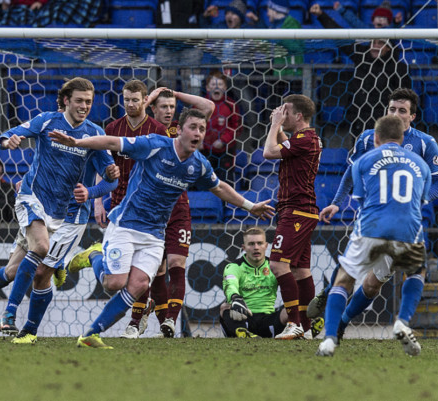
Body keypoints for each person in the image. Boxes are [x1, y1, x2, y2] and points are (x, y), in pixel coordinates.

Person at [52, 108, 275, 348]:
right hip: (126, 225)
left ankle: (90, 335)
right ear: (179, 130)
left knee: (139, 286)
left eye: (202, 129)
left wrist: (250, 206)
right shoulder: (156, 145)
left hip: (155, 235)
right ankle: (95, 254)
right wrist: (78, 141)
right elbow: (112, 141)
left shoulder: (198, 164)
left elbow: (219, 187)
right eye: (192, 127)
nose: (198, 133)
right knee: (113, 284)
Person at [0, 77, 118, 341]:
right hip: (34, 199)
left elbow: (112, 180)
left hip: (70, 214)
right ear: (66, 100)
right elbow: (6, 136)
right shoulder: (47, 120)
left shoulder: (94, 134)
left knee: (21, 271)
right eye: (79, 101)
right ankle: (9, 314)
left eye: (89, 101)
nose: (84, 106)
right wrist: (10, 142)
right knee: (40, 250)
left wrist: (93, 191)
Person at [311, 89, 438, 340]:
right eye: (392, 109)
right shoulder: (367, 138)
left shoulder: (425, 142)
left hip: (407, 219)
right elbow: (350, 173)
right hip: (374, 219)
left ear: (412, 116)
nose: (396, 114)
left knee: (373, 284)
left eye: (402, 111)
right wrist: (337, 203)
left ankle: (340, 321)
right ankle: (329, 293)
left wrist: (420, 198)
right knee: (358, 272)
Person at [120, 86, 215, 339]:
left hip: (178, 208)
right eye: (163, 106)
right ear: (151, 108)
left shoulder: (183, 130)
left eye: (172, 107)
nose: (169, 110)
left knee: (176, 264)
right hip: (149, 209)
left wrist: (174, 93)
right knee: (152, 271)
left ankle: (170, 321)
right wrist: (150, 97)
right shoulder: (148, 130)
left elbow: (208, 108)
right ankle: (137, 319)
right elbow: (134, 110)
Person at [262, 94, 322, 340]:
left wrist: (274, 124)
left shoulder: (305, 138)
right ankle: (307, 327)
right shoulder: (305, 139)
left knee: (277, 264)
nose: (281, 114)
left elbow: (268, 152)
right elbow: (285, 145)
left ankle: (294, 323)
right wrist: (279, 127)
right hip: (300, 209)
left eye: (285, 111)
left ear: (298, 116)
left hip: (296, 209)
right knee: (300, 270)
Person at [96, 79, 168, 226]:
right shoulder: (112, 129)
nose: (130, 104)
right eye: (126, 99)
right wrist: (98, 202)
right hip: (118, 203)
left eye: (135, 100)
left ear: (145, 100)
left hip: (148, 204)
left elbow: (167, 168)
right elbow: (102, 166)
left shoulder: (158, 130)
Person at [220, 227, 288, 338]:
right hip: (244, 318)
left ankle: (305, 330)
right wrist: (235, 298)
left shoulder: (275, 266)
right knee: (225, 307)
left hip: (269, 320)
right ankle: (243, 334)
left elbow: (291, 286)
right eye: (251, 244)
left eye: (259, 243)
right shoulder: (234, 267)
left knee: (292, 310)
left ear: (266, 246)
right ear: (244, 247)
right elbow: (230, 285)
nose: (256, 247)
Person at [201, 71, 241, 185]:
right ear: (207, 88)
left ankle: (227, 203)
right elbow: (193, 124)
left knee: (226, 179)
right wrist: (199, 142)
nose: (216, 87)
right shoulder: (200, 105)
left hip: (225, 150)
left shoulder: (231, 105)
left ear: (225, 87)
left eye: (220, 84)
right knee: (202, 178)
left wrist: (223, 140)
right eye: (213, 84)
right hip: (205, 149)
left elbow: (237, 127)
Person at [309, 1, 403, 29]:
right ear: (373, 20)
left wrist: (396, 22)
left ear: (388, 22)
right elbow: (354, 21)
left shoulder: (389, 32)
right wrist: (342, 10)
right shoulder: (366, 29)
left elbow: (394, 30)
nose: (380, 20)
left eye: (384, 19)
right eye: (378, 17)